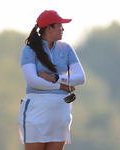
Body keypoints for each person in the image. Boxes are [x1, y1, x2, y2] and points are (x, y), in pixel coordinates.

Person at [17, 10, 85, 150]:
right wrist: (62, 86)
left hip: (60, 111)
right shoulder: (29, 50)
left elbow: (80, 78)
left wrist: (55, 78)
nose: (63, 29)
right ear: (49, 28)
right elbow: (33, 81)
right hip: (36, 110)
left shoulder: (66, 49)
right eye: (60, 26)